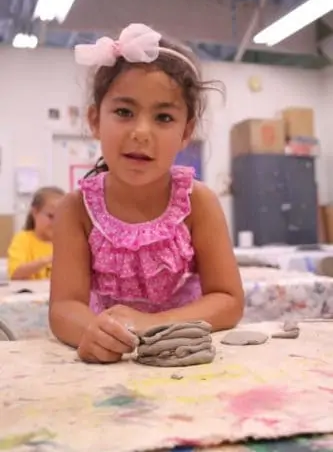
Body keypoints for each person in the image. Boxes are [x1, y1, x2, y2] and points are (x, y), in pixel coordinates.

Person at [49, 23, 244, 363]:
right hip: (110, 363)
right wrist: (92, 332)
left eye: (163, 117)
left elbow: (228, 299)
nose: (141, 132)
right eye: (124, 112)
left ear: (186, 132)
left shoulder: (198, 203)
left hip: (185, 352)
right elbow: (64, 307)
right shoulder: (76, 209)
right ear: (95, 120)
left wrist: (152, 325)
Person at [8, 186, 65, 280]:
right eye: (51, 216)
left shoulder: (66, 241)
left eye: (60, 217)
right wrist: (48, 259)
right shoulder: (23, 239)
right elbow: (15, 273)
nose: (56, 222)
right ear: (35, 212)